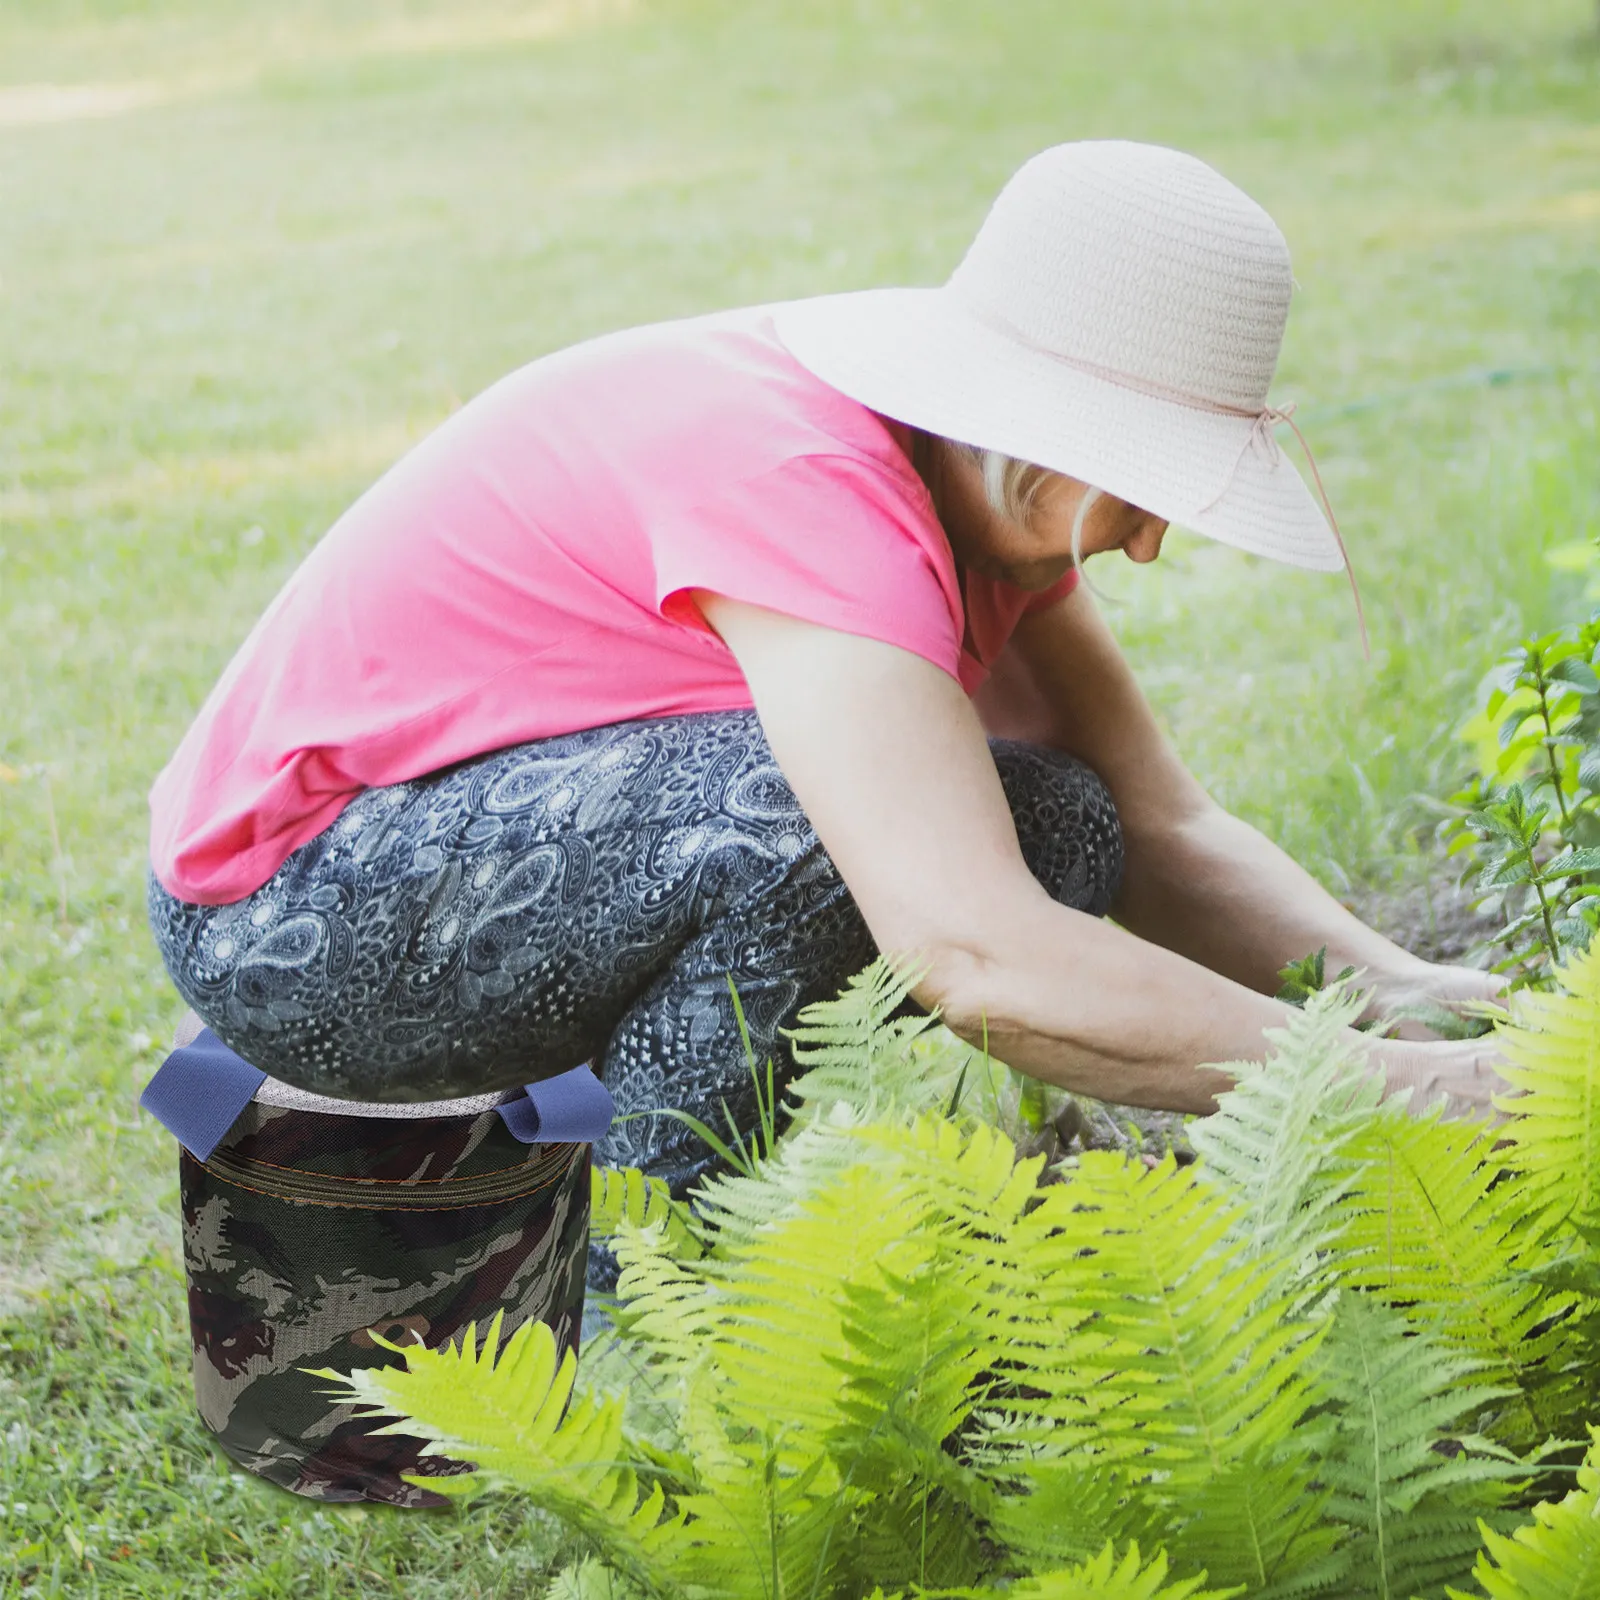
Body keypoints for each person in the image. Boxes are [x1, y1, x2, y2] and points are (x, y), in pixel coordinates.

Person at [146, 141, 1508, 1265]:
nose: (1150, 545)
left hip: (466, 854)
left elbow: (1164, 829)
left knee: (1061, 823)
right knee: (813, 832)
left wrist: (1406, 997)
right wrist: (1423, 1100)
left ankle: (670, 1225)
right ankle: (659, 1300)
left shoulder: (974, 491)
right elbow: (973, 954)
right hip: (290, 911)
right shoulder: (810, 489)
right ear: (1046, 427)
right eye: (1147, 488)